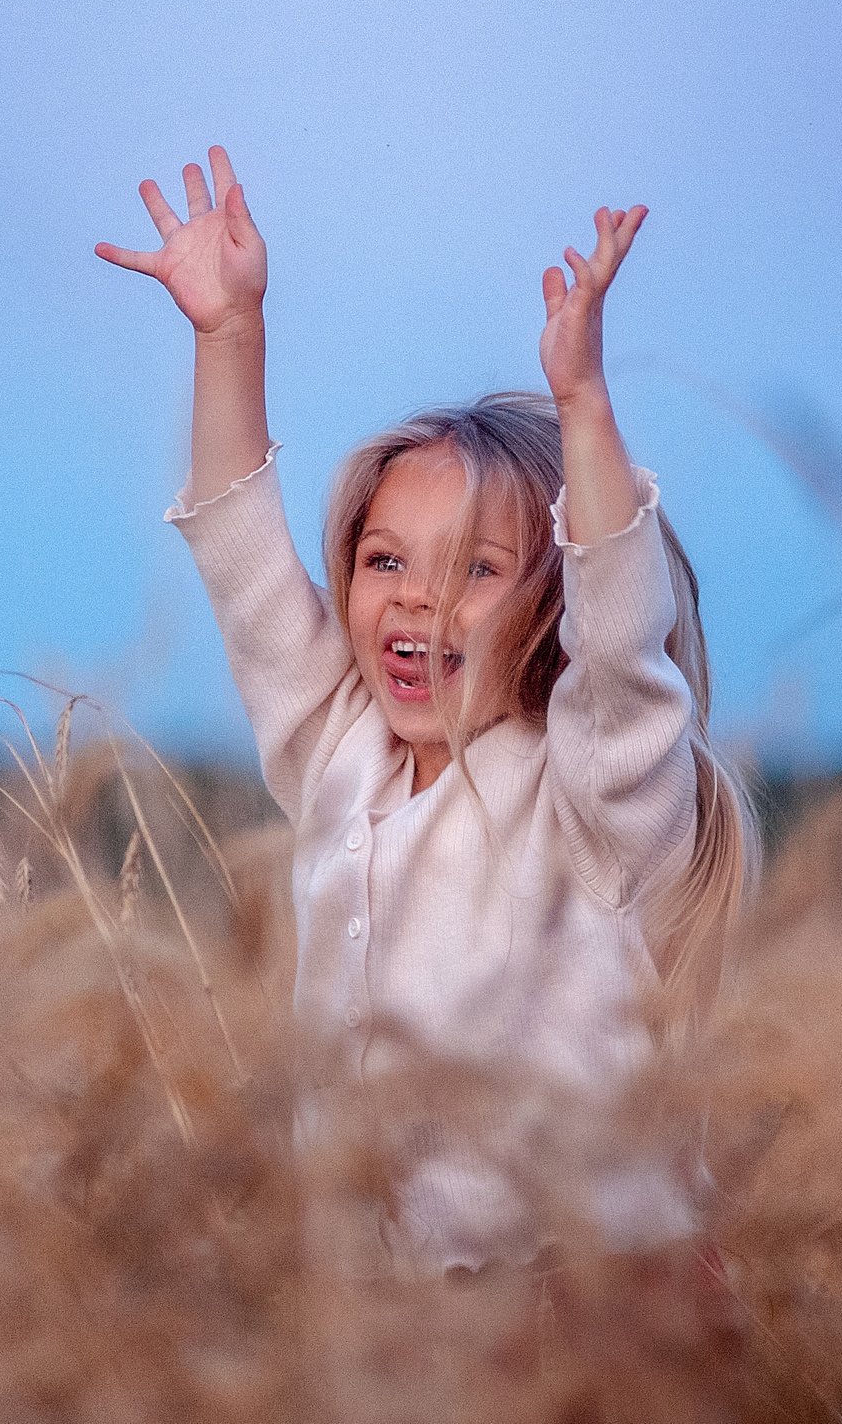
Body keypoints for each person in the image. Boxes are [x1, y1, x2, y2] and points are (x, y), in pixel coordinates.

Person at [96, 146, 756, 1278]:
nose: (416, 599)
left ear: (554, 605)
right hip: (386, 1313)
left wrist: (584, 408)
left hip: (584, 1309)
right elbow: (242, 562)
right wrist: (229, 336)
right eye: (385, 558)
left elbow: (620, 641)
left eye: (476, 570)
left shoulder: (596, 794)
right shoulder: (338, 752)